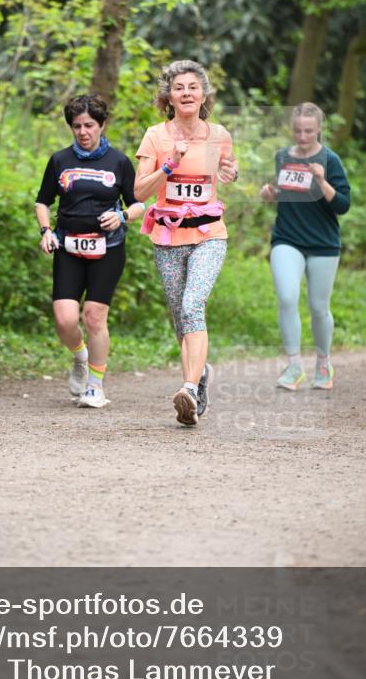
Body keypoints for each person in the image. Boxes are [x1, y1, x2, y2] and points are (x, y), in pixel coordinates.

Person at [134, 61, 238, 427]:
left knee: (194, 304)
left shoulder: (218, 134)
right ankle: (201, 375)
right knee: (182, 318)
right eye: (179, 87)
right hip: (167, 236)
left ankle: (189, 389)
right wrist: (169, 165)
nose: (187, 93)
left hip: (210, 234)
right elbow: (139, 190)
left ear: (204, 94)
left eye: (193, 87)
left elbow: (227, 169)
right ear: (169, 96)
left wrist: (231, 172)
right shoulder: (155, 136)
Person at [35, 94, 145, 409]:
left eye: (89, 125)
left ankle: (95, 386)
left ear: (102, 125)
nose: (83, 132)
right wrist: (45, 231)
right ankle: (80, 357)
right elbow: (43, 201)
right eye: (77, 126)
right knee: (65, 319)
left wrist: (122, 216)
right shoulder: (59, 160)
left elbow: (139, 204)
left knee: (94, 317)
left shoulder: (119, 162)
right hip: (68, 246)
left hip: (108, 248)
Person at [260, 102, 351, 391]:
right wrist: (270, 193)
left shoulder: (330, 160)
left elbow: (343, 205)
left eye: (308, 131)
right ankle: (294, 366)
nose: (302, 136)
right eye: (298, 130)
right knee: (287, 298)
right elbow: (285, 192)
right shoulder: (282, 157)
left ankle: (323, 363)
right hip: (287, 238)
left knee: (318, 307)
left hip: (323, 243)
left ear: (319, 129)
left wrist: (322, 180)